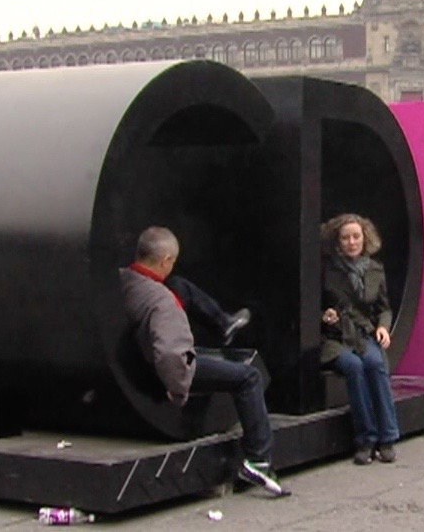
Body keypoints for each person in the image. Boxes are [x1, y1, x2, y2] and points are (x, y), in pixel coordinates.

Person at [119, 226, 288, 497]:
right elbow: (170, 355)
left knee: (180, 285)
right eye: (172, 262)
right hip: (163, 367)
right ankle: (259, 460)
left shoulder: (124, 280)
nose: (172, 267)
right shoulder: (162, 302)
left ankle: (224, 324)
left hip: (136, 352)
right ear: (165, 260)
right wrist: (178, 388)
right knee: (248, 377)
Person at [320, 213, 402, 465]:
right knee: (354, 367)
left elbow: (384, 308)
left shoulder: (375, 269)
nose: (351, 242)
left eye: (356, 237)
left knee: (376, 365)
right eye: (345, 238)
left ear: (365, 239)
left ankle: (387, 438)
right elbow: (313, 304)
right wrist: (324, 314)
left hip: (363, 334)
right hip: (334, 338)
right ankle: (366, 438)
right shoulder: (326, 270)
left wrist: (384, 327)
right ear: (337, 242)